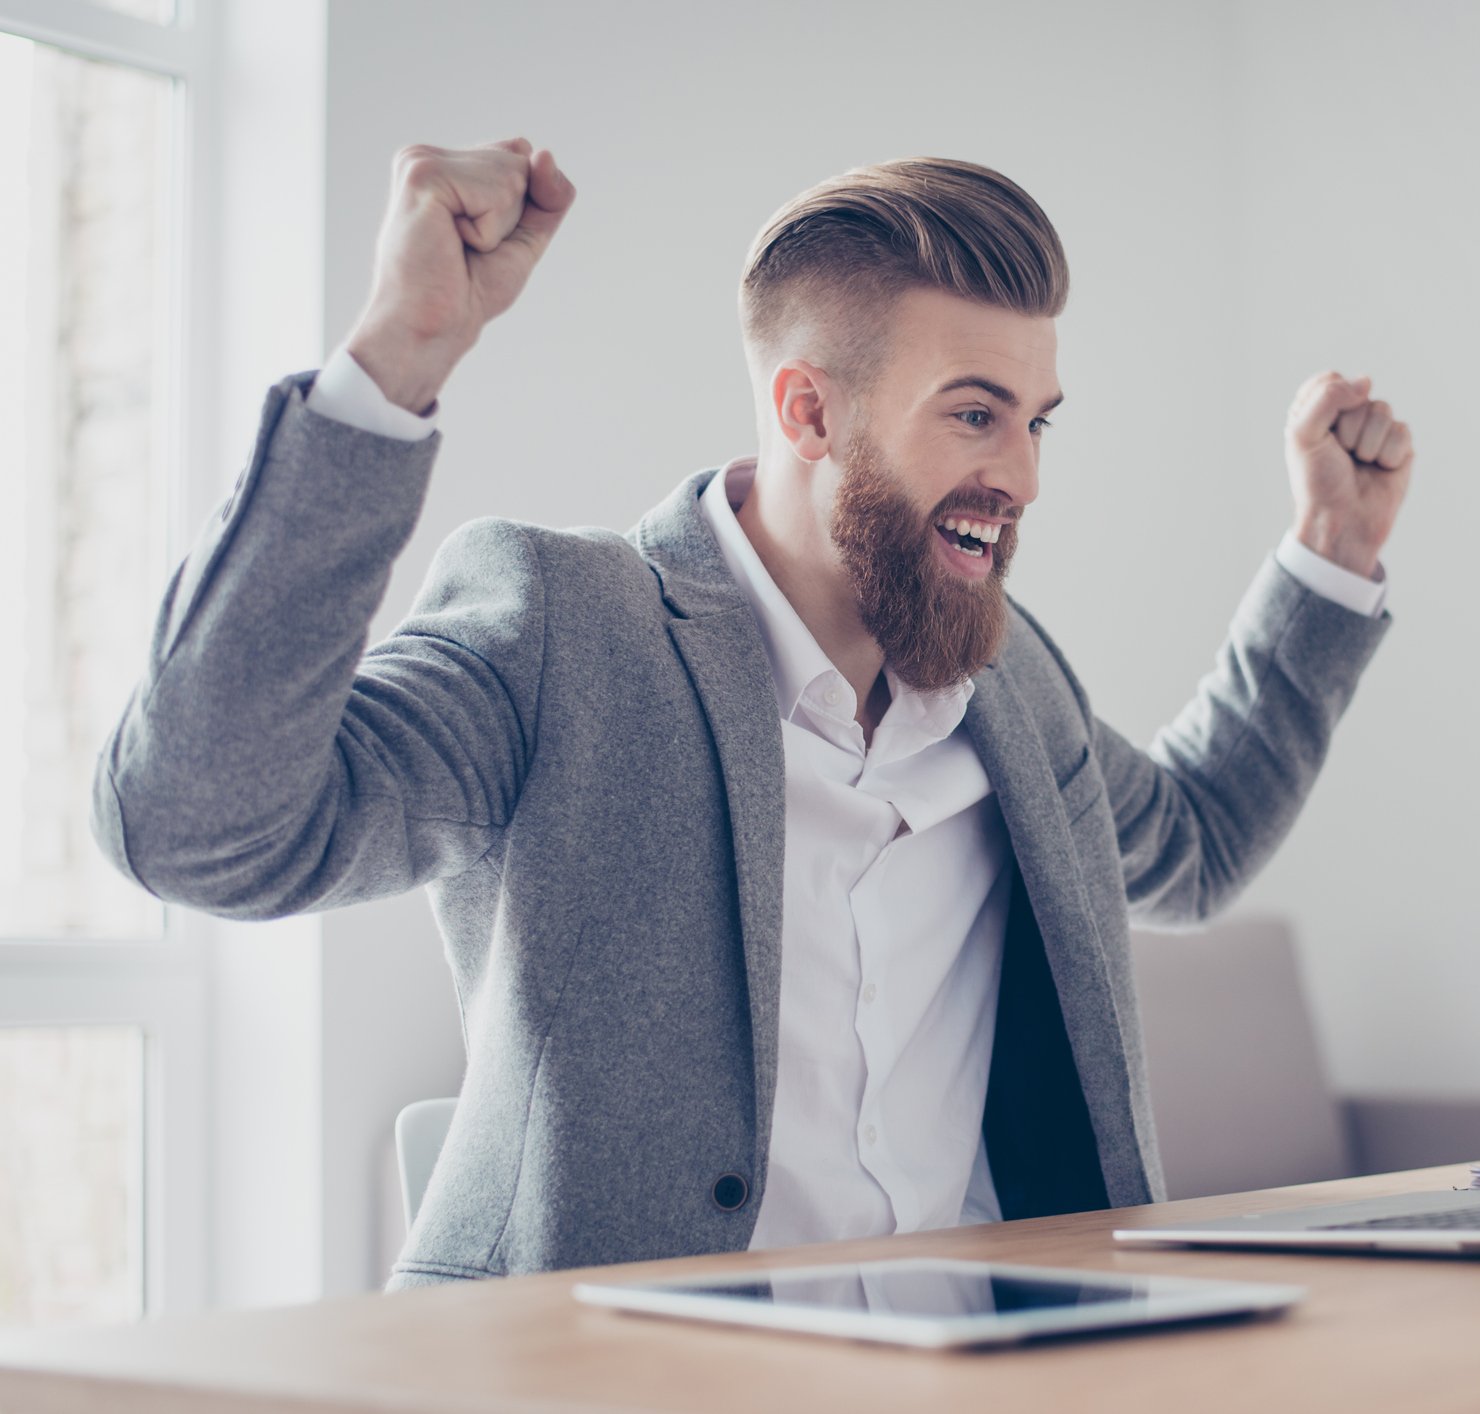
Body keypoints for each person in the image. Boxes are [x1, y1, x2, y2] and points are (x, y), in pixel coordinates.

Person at [90, 141, 1413, 1291]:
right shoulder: (567, 627)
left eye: (1035, 424)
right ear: (809, 410)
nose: (1019, 475)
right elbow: (202, 829)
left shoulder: (1008, 683)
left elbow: (1195, 845)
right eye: (974, 415)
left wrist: (1332, 555)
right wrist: (392, 365)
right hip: (619, 1381)